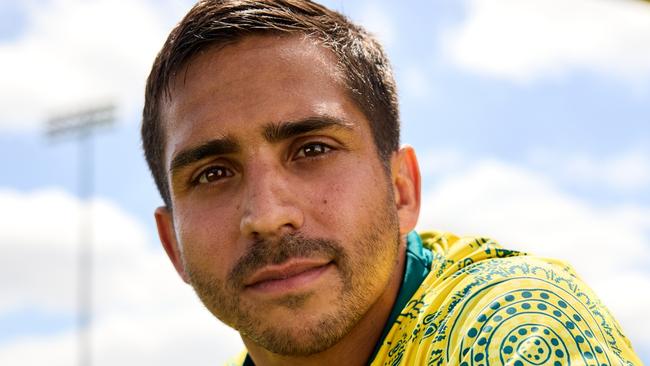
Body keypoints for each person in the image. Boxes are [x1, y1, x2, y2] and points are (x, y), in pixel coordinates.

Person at [141, 1, 641, 365]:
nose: (268, 215)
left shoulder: (517, 330)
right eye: (213, 174)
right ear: (173, 245)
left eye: (313, 150)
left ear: (401, 189)